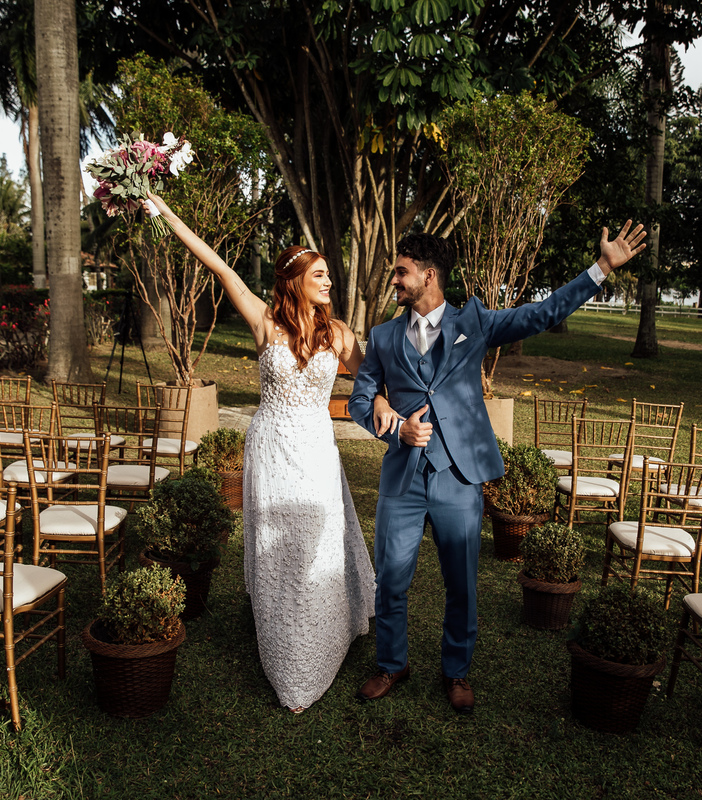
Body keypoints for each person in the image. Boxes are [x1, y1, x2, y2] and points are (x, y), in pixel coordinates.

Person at [348, 222, 647, 714]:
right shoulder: (382, 337)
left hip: (458, 476)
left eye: (401, 273)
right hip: (401, 478)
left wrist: (602, 268)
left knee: (461, 584)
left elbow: (542, 313)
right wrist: (392, 426)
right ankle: (391, 664)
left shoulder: (476, 323)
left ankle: (456, 671)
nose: (394, 281)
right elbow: (361, 400)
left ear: (428, 275)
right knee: (392, 578)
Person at [148, 193, 395, 714]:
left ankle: (324, 630)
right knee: (278, 544)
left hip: (316, 450)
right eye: (320, 276)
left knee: (318, 537)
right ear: (294, 281)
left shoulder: (340, 334)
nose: (329, 283)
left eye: (330, 276)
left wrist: (394, 402)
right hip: (272, 444)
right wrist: (163, 211)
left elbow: (376, 378)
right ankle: (283, 643)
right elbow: (216, 263)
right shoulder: (265, 323)